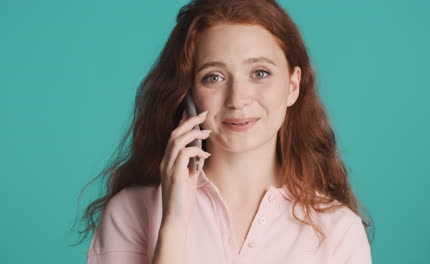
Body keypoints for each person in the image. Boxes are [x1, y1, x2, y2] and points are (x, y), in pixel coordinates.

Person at [77, 0, 373, 263]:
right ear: (188, 94)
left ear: (293, 86)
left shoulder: (338, 229)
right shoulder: (130, 212)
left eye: (260, 73)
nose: (237, 99)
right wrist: (174, 222)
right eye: (213, 77)